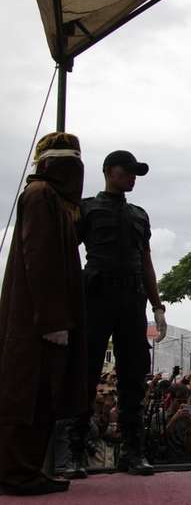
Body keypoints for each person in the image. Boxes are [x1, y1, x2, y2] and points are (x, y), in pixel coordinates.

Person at [65, 150, 167, 478]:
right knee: (86, 372)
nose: (133, 177)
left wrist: (158, 305)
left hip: (132, 299)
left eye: (136, 172)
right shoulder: (86, 208)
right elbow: (67, 255)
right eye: (128, 171)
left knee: (133, 377)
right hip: (94, 295)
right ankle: (75, 452)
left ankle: (133, 452)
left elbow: (146, 263)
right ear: (110, 172)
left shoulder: (139, 214)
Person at [0, 133, 88, 495]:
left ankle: (26, 469)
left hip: (44, 319)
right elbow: (40, 260)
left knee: (42, 396)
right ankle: (15, 472)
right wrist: (52, 319)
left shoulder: (54, 200)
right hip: (35, 322)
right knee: (26, 395)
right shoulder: (40, 197)